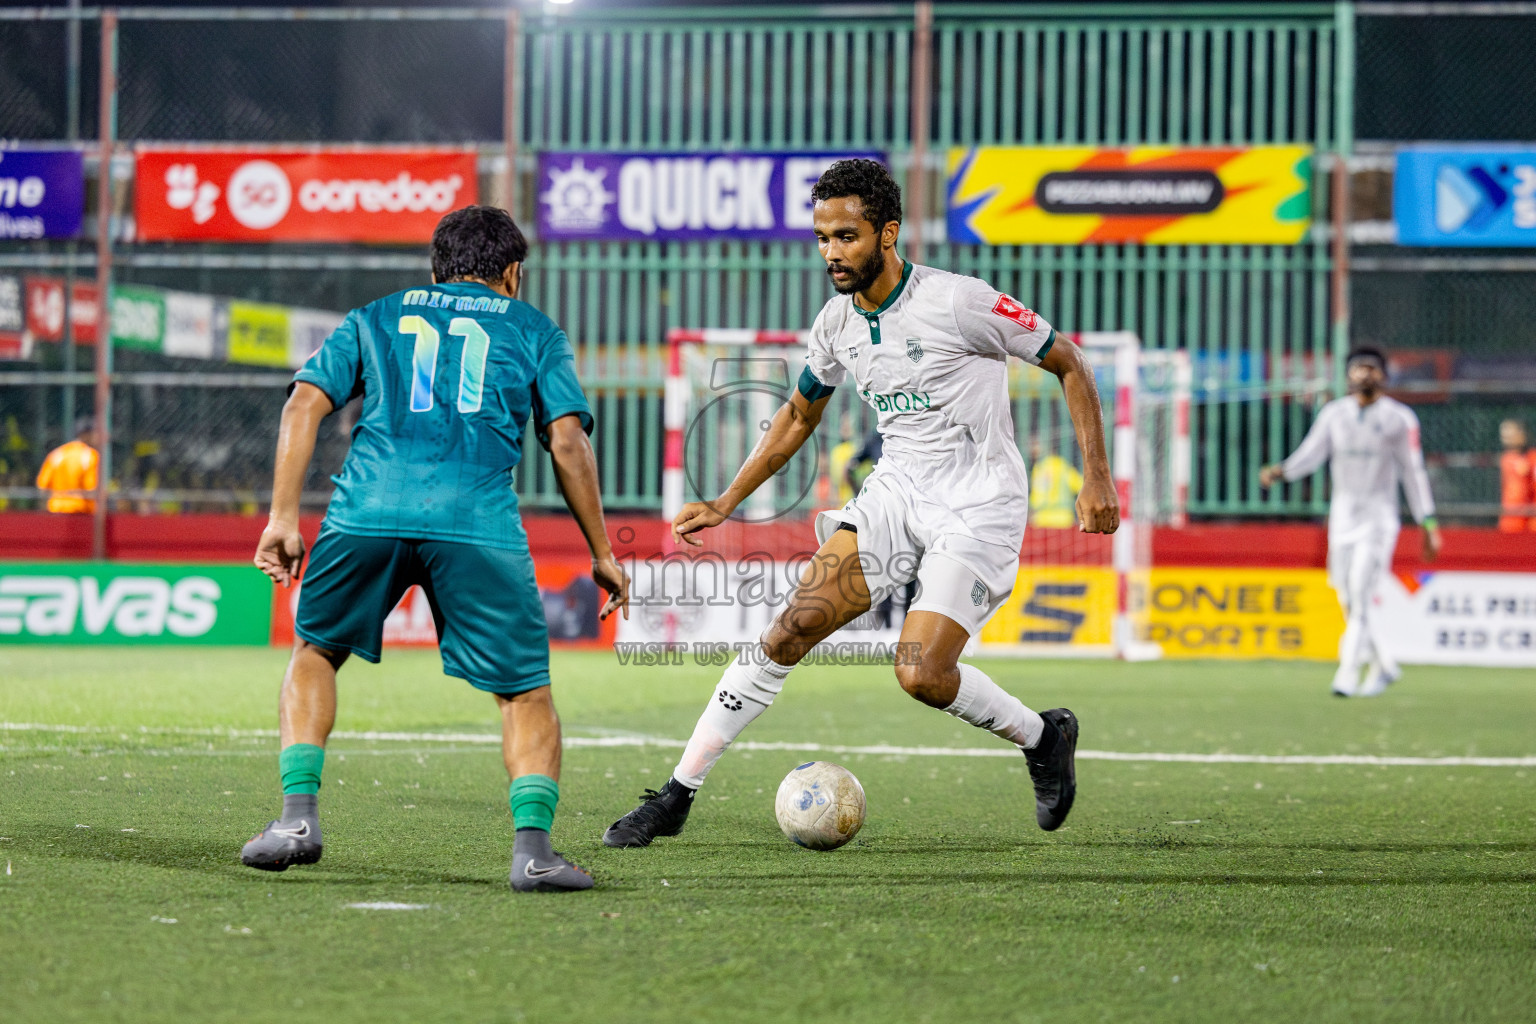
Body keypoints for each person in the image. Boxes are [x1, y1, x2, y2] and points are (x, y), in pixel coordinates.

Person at [603, 158, 1118, 848]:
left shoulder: (960, 301)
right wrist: (726, 501)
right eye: (822, 238)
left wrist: (1097, 477)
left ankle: (1042, 736)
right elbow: (798, 415)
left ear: (888, 233)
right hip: (896, 491)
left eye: (846, 236)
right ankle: (675, 796)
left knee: (921, 673)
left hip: (977, 501)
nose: (832, 253)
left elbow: (1069, 362)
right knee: (787, 630)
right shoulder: (835, 323)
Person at [241, 205, 630, 892]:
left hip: (367, 510)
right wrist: (601, 551)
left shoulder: (374, 316)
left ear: (436, 268)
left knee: (316, 652)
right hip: (477, 520)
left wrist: (281, 518)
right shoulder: (535, 329)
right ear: (513, 272)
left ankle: (297, 820)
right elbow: (567, 441)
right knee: (524, 693)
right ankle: (533, 854)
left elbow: (303, 403)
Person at [1260, 346, 1439, 698]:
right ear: (1347, 377)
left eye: (1372, 368)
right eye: (1358, 368)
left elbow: (1413, 471)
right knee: (1347, 597)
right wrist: (1282, 471)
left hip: (1378, 518)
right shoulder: (1335, 414)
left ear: (1384, 376)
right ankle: (1385, 665)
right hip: (1343, 517)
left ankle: (1347, 672)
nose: (1364, 375)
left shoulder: (1399, 418)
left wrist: (1428, 522)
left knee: (1360, 591)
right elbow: (1312, 453)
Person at [35, 416, 99, 514]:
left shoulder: (57, 454)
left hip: (56, 510)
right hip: (80, 511)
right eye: (94, 433)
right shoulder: (90, 456)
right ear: (85, 435)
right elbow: (91, 488)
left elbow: (42, 484)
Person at [1029, 440, 1083, 529]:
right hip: (1063, 519)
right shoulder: (1063, 466)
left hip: (1041, 520)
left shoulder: (1039, 468)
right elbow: (1080, 486)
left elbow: (1035, 498)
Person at [1498, 419, 1535, 533]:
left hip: (1530, 519)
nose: (1505, 439)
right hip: (1510, 520)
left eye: (1510, 434)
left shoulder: (1532, 457)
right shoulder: (1506, 458)